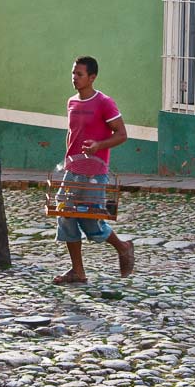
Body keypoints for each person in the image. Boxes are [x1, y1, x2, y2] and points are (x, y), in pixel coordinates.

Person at [53, 56, 134, 284]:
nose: (74, 78)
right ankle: (78, 271)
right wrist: (68, 158)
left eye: (79, 74)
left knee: (90, 220)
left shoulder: (104, 103)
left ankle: (123, 246)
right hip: (73, 169)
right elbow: (71, 133)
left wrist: (99, 145)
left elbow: (121, 134)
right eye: (73, 74)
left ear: (92, 77)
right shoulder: (72, 102)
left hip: (95, 173)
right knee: (65, 215)